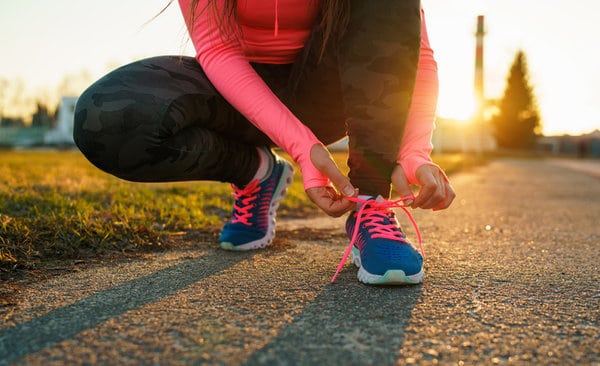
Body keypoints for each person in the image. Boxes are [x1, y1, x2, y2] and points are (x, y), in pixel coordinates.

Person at [73, 0, 455, 286]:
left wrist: (413, 151)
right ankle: (256, 173)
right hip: (237, 91)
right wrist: (301, 148)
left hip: (330, 93)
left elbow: (414, 53)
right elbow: (218, 49)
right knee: (104, 120)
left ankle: (370, 204)